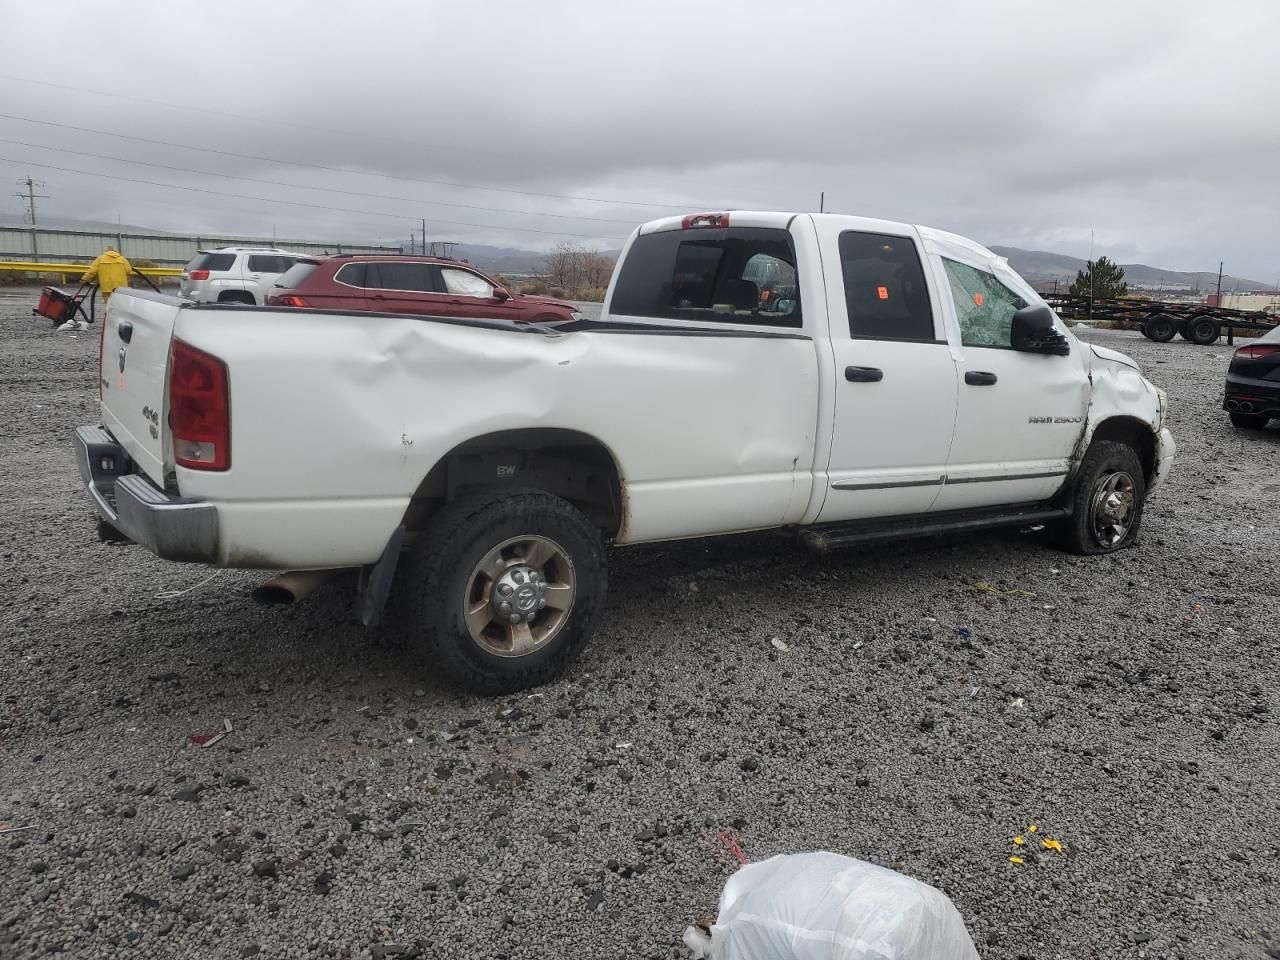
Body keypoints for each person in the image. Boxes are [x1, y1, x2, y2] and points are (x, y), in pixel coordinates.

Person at [61, 245, 134, 331]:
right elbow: (129, 270)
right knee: (121, 305)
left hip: (107, 287)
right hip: (121, 288)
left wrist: (85, 279)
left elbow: (92, 271)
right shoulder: (121, 259)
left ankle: (114, 324)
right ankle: (124, 323)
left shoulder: (101, 258)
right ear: (115, 252)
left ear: (106, 252)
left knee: (111, 306)